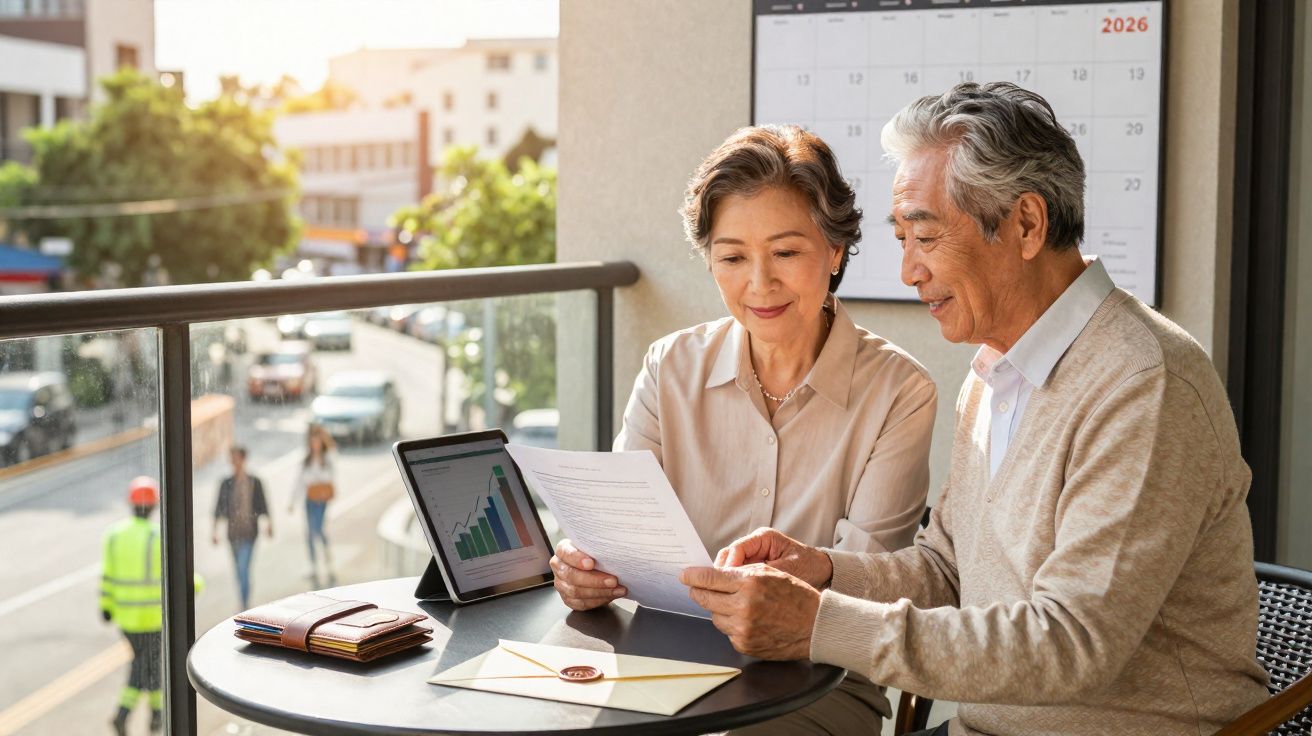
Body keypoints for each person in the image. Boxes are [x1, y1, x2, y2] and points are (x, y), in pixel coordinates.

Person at [681, 82, 1271, 735]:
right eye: (901, 237)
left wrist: (816, 624)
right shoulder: (994, 374)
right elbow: (946, 571)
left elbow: (1072, 643)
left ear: (1024, 224)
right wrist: (822, 571)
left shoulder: (1143, 383)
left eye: (925, 237)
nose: (908, 271)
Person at [550, 124, 938, 734]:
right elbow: (619, 536)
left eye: (786, 252)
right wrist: (586, 568)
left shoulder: (900, 392)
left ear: (834, 251)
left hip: (818, 684)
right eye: (732, 257)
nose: (760, 284)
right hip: (661, 665)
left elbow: (871, 590)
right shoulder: (669, 367)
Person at [211, 445, 272, 610]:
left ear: (243, 459)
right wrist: (215, 531)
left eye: (236, 458)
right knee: (238, 569)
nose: (234, 462)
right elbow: (219, 508)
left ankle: (244, 605)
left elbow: (263, 504)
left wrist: (269, 523)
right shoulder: (226, 483)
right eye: (232, 458)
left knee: (244, 568)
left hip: (249, 533)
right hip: (232, 533)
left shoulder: (254, 482)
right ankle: (243, 598)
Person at [288, 424, 336, 586]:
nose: (314, 445)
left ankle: (328, 561)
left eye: (317, 442)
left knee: (318, 530)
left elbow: (330, 477)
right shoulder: (306, 461)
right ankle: (314, 566)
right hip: (310, 500)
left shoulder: (327, 459)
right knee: (310, 532)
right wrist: (292, 501)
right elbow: (299, 482)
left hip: (321, 501)